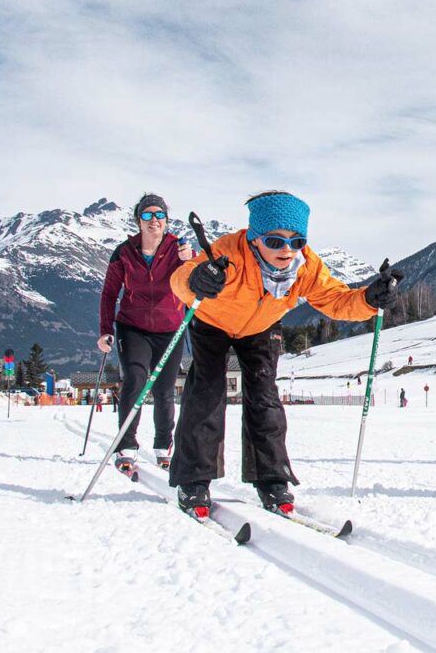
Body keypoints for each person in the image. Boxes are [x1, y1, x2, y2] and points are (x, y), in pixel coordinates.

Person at [167, 191, 402, 517]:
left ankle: (272, 479)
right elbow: (182, 277)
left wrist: (368, 299)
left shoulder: (305, 266)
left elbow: (335, 300)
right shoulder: (229, 252)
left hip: (260, 327)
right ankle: (193, 480)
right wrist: (197, 279)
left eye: (296, 241)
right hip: (212, 322)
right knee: (206, 393)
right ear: (254, 237)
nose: (287, 250)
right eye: (275, 241)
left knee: (265, 398)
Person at [98, 193, 193, 475]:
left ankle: (164, 446)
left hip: (170, 328)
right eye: (148, 215)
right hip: (133, 326)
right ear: (138, 220)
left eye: (160, 215)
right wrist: (105, 330)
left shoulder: (179, 249)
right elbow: (109, 293)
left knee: (165, 389)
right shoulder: (124, 252)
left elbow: (197, 279)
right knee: (136, 379)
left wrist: (192, 260)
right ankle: (126, 446)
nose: (154, 221)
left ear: (166, 220)